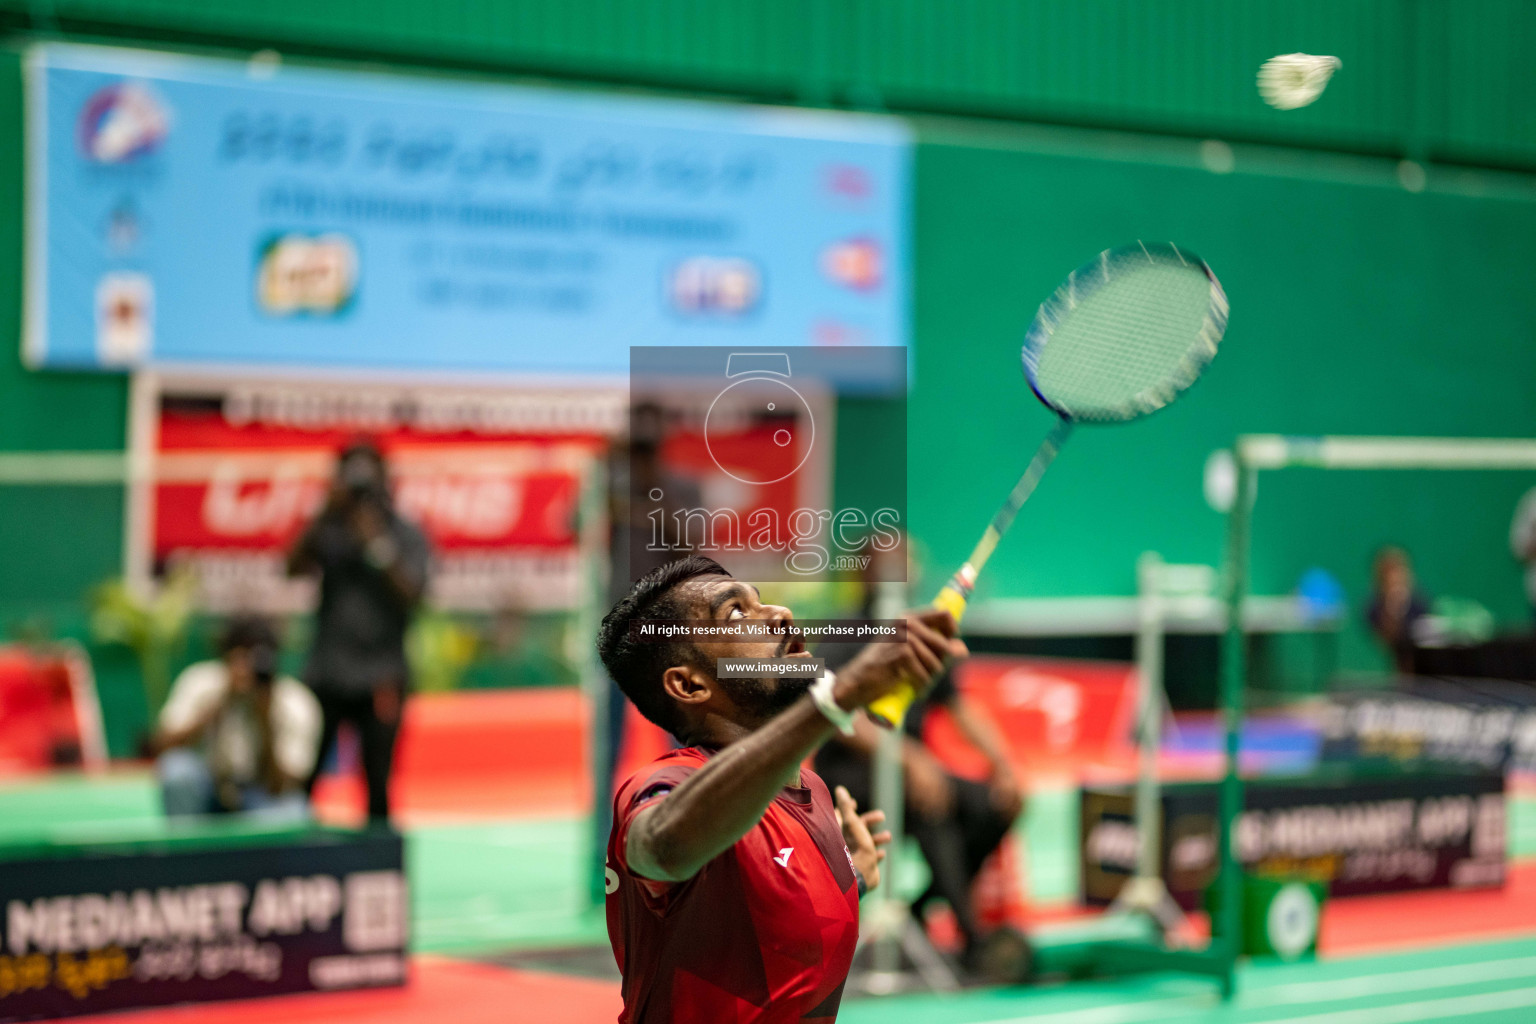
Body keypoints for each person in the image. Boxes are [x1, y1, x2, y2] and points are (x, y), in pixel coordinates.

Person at [597, 556, 964, 1023]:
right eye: (735, 613)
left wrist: (845, 880)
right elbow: (662, 846)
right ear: (689, 685)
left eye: (762, 601)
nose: (780, 614)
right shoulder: (664, 783)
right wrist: (842, 696)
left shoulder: (809, 788)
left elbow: (759, 933)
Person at [813, 666, 1023, 971]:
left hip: (913, 767)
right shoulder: (851, 635)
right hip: (853, 772)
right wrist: (908, 759)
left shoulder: (923, 639)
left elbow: (957, 704)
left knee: (996, 805)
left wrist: (1003, 766)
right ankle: (972, 938)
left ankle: (922, 910)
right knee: (929, 802)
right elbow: (831, 708)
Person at [289, 439, 430, 823]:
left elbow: (415, 595)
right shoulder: (329, 529)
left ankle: (379, 873)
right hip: (327, 673)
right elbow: (291, 569)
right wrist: (323, 514)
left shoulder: (403, 534)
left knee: (378, 785)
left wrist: (377, 546)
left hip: (380, 675)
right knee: (302, 781)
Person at [153, 616, 320, 820]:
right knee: (177, 771)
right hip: (208, 786)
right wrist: (218, 704)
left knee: (293, 811)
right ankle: (186, 850)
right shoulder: (201, 682)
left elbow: (287, 785)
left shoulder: (294, 702)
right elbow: (162, 745)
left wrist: (265, 719)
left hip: (259, 793)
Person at [1366, 545, 1430, 674]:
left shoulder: (1419, 602)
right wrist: (1393, 609)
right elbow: (1387, 636)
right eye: (1389, 572)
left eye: (1398, 570)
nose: (1395, 577)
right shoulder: (1374, 606)